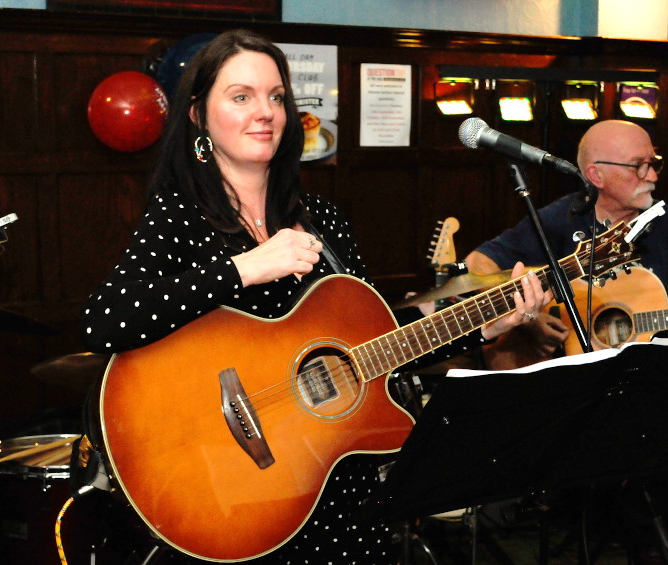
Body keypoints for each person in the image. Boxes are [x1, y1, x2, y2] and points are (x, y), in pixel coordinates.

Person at [79, 29, 547, 564]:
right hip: (240, 495)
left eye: (276, 97)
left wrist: (483, 325)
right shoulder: (180, 218)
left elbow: (376, 342)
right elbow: (104, 321)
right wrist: (244, 269)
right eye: (241, 96)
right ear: (196, 118)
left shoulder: (322, 220)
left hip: (342, 496)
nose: (266, 112)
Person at [466, 119, 668, 367]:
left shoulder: (664, 222)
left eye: (654, 163)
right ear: (596, 175)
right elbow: (477, 263)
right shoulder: (561, 218)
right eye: (639, 166)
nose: (653, 176)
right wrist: (528, 318)